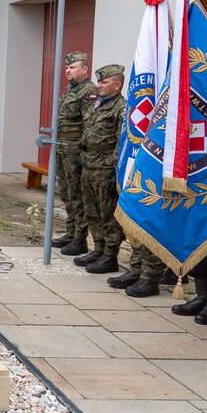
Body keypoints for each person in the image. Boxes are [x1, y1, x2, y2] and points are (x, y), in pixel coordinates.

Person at [75, 65, 126, 274]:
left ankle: (110, 256)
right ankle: (98, 248)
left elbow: (120, 143)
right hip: (88, 164)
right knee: (92, 210)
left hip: (105, 168)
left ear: (117, 84)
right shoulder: (97, 104)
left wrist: (115, 173)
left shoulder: (120, 107)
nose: (99, 86)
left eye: (104, 82)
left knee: (107, 213)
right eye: (99, 82)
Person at [52, 51, 97, 256]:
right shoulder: (70, 90)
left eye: (73, 67)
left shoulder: (88, 92)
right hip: (63, 148)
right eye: (67, 67)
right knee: (66, 193)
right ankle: (71, 231)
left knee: (77, 194)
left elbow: (89, 124)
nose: (68, 71)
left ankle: (80, 238)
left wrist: (84, 151)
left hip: (75, 150)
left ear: (85, 69)